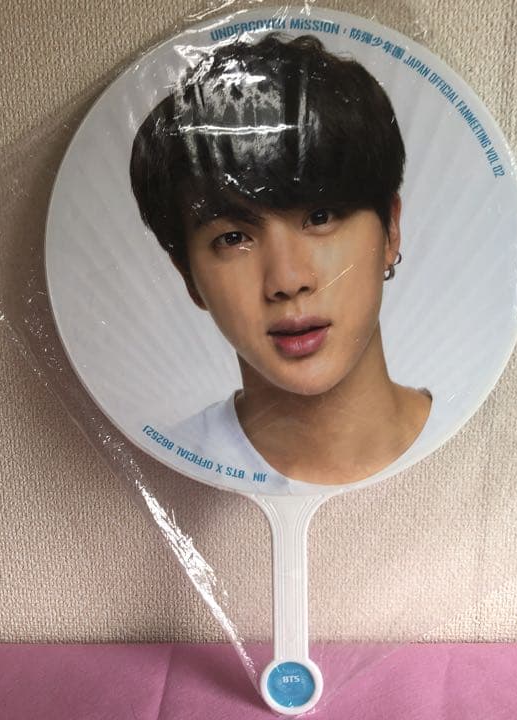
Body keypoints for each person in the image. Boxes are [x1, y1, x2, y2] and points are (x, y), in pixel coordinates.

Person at [130, 33, 431, 486]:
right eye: (233, 237)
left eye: (320, 217)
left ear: (390, 229)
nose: (288, 281)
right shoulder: (168, 476)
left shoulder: (495, 448)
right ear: (188, 276)